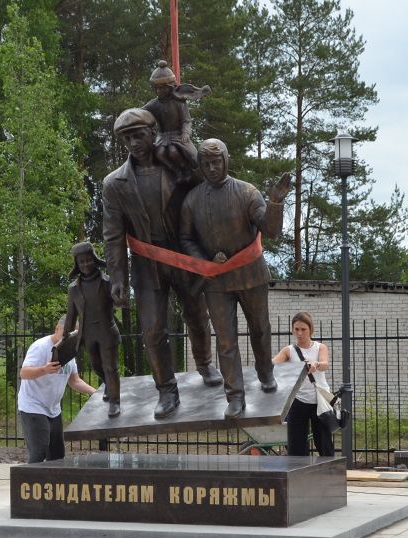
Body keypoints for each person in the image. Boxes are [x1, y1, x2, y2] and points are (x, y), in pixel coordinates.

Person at [102, 107, 222, 419]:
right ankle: (166, 390)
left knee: (197, 315)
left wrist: (185, 141)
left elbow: (207, 190)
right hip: (146, 263)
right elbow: (113, 235)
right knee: (152, 330)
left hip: (182, 254)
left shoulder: (177, 166)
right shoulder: (115, 183)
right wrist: (118, 279)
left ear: (152, 133)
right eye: (126, 138)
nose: (133, 142)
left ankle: (205, 363)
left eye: (138, 135)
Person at [178, 138, 290, 417]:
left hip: (251, 275)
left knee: (260, 329)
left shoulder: (246, 192)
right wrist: (204, 259)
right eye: (207, 164)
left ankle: (265, 372)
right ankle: (235, 396)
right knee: (226, 341)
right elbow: (185, 238)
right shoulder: (192, 201)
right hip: (216, 282)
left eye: (217, 162)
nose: (213, 168)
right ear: (201, 166)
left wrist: (275, 201)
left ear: (226, 160)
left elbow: (271, 230)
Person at [18, 318, 97, 463]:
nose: (69, 338)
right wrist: (44, 369)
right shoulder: (40, 347)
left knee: (57, 454)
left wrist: (95, 392)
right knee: (39, 450)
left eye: (74, 335)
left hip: (53, 409)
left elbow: (75, 381)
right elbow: (24, 373)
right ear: (57, 329)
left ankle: (53, 484)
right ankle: (33, 483)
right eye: (66, 334)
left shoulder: (69, 352)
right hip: (33, 406)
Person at [63, 242, 121, 417]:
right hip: (88, 335)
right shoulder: (73, 288)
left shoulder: (107, 282)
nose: (86, 264)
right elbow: (71, 313)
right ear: (77, 265)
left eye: (89, 260)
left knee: (110, 367)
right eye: (82, 262)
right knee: (97, 366)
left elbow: (120, 301)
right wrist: (66, 333)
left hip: (107, 332)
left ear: (95, 260)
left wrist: (120, 293)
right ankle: (108, 386)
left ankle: (115, 401)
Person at [271, 311, 334, 457]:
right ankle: (298, 474)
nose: (300, 333)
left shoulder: (320, 347)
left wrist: (316, 364)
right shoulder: (289, 351)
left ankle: (329, 472)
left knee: (323, 441)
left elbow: (325, 365)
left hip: (320, 400)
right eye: (296, 329)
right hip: (298, 400)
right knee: (296, 443)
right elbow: (273, 363)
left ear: (310, 329)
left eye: (303, 329)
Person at [142, 60, 210, 173]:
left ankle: (191, 171)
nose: (159, 91)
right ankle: (172, 171)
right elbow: (140, 112)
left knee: (177, 152)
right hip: (162, 136)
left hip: (178, 135)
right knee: (158, 153)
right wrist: (129, 115)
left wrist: (186, 133)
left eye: (162, 88)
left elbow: (186, 120)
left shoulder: (179, 103)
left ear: (170, 87)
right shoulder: (153, 104)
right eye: (157, 88)